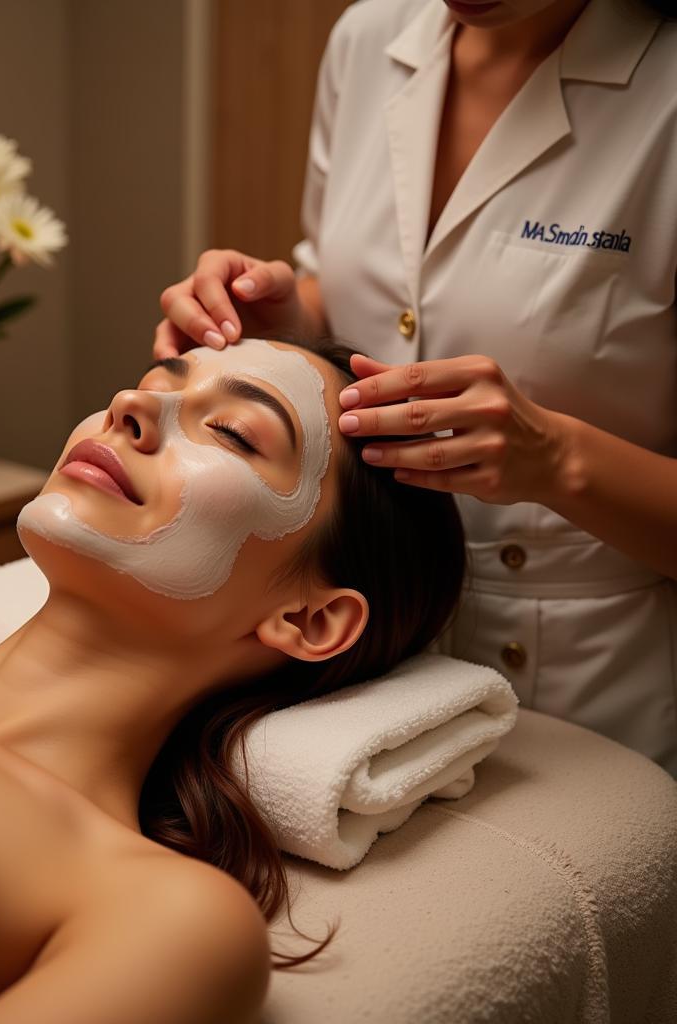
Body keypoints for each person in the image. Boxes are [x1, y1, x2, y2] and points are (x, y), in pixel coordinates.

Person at [0, 336, 466, 1023]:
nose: (130, 404)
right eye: (154, 381)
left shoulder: (164, 918)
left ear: (310, 620)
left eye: (232, 433)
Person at [155, 0, 677, 778]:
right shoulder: (369, 40)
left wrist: (558, 459)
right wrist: (290, 316)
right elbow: (368, 294)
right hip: (366, 660)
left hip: (592, 687)